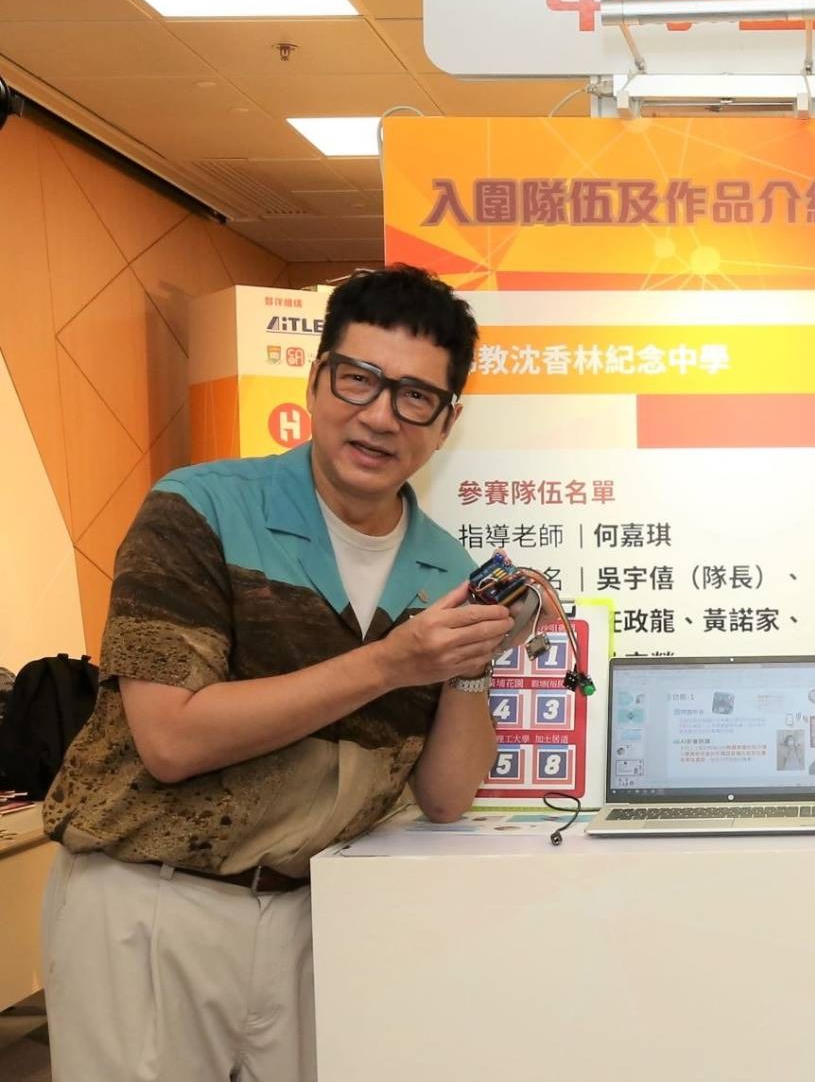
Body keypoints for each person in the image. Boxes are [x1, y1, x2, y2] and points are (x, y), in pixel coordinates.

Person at [40, 265, 539, 1082]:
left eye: (416, 396)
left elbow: (447, 796)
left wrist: (472, 661)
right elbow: (170, 739)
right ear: (316, 379)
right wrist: (393, 661)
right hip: (152, 900)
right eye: (359, 379)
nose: (380, 415)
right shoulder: (198, 510)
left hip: (320, 913)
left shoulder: (444, 567)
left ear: (447, 421)